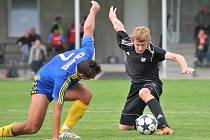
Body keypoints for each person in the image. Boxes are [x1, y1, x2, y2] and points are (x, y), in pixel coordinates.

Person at [0, 1, 101, 139]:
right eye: (90, 77)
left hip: (57, 76)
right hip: (43, 84)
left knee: (86, 95)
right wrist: (54, 138)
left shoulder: (88, 51)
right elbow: (57, 109)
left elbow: (88, 28)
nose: (93, 79)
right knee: (31, 127)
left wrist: (93, 11)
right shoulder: (63, 77)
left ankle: (65, 130)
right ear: (81, 75)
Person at [109, 6, 194, 135]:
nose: (140, 47)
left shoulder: (154, 51)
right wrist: (113, 18)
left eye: (143, 45)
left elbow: (176, 56)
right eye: (137, 44)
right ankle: (145, 124)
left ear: (148, 42)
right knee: (124, 127)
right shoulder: (126, 44)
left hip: (152, 83)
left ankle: (164, 125)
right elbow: (119, 28)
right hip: (135, 86)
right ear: (133, 40)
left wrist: (184, 67)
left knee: (144, 92)